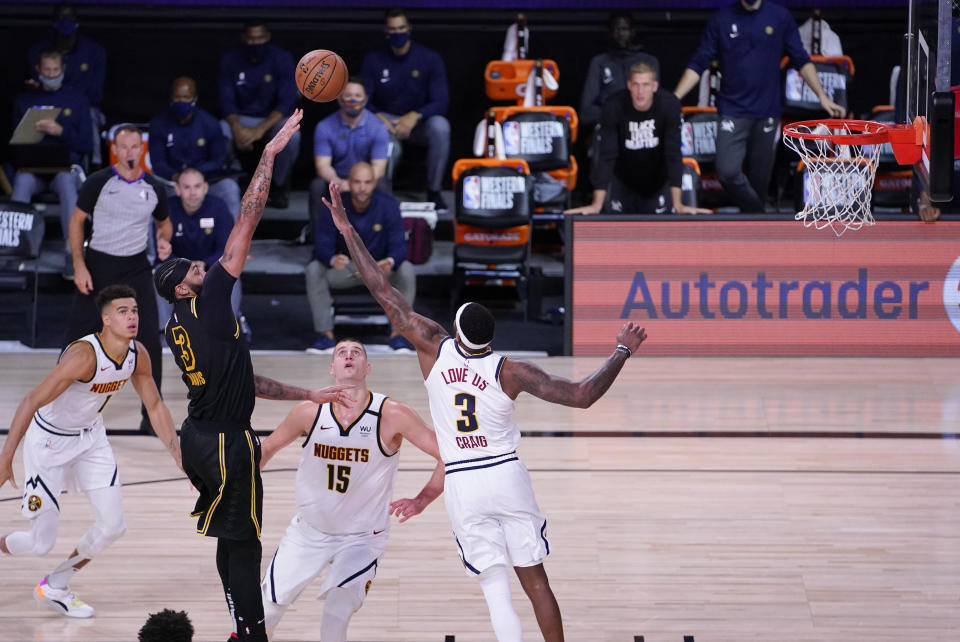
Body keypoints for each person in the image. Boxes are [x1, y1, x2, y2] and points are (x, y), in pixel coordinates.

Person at [322, 182, 648, 641]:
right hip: (506, 475)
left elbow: (381, 288)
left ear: (454, 330)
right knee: (537, 585)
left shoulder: (435, 348)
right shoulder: (511, 370)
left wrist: (346, 228)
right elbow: (582, 395)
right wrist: (621, 351)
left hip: (464, 481)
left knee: (496, 588)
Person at [153, 109, 353, 642]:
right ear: (181, 288)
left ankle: (244, 627)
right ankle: (252, 632)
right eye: (194, 269)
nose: (206, 268)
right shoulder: (211, 303)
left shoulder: (181, 324)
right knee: (246, 543)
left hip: (200, 436)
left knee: (231, 535)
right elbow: (248, 217)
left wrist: (307, 392)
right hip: (222, 440)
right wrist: (268, 154)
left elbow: (248, 380)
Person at [0, 284, 182, 619]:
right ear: (106, 320)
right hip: (50, 442)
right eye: (123, 312)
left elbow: (155, 406)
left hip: (91, 440)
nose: (132, 317)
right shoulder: (84, 357)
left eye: (136, 311)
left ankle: (56, 585)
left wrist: (178, 455)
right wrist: (6, 456)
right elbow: (30, 401)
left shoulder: (136, 354)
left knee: (113, 526)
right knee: (41, 544)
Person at [259, 338, 444, 641]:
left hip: (361, 539)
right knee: (265, 611)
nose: (348, 356)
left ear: (367, 368)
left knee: (335, 617)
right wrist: (225, 487)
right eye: (341, 353)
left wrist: (423, 499)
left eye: (356, 353)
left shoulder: (392, 413)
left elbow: (448, 454)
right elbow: (266, 449)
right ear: (332, 368)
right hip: (309, 532)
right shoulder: (308, 412)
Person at [672, 0, 844, 213]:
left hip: (767, 113)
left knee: (758, 183)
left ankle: (755, 229)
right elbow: (699, 62)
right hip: (732, 111)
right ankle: (762, 214)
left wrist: (822, 97)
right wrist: (675, 98)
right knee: (727, 172)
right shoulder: (721, 19)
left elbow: (801, 59)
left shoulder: (780, 17)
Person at [66, 124, 170, 435]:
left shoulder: (154, 187)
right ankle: (59, 408)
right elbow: (76, 222)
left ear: (142, 149)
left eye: (134, 147)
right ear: (116, 150)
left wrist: (164, 240)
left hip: (136, 267)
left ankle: (151, 417)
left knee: (148, 338)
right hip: (99, 263)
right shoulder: (98, 182)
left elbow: (165, 224)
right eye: (122, 147)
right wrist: (79, 265)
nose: (128, 153)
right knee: (76, 337)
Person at [567, 62, 712, 215]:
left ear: (655, 86)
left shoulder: (669, 105)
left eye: (645, 85)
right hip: (623, 179)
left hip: (657, 180)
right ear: (629, 85)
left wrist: (679, 204)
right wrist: (596, 205)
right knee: (622, 234)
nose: (640, 91)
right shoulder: (613, 106)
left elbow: (674, 156)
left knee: (656, 234)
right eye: (635, 85)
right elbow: (607, 156)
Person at [306, 162, 416, 353]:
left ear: (374, 183)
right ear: (348, 183)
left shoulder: (388, 205)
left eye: (367, 182)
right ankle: (326, 336)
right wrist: (332, 259)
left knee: (406, 269)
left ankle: (399, 335)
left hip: (379, 270)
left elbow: (399, 245)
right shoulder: (335, 207)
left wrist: (390, 261)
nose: (362, 188)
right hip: (346, 269)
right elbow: (321, 243)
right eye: (357, 182)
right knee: (314, 269)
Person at [360, 7, 451, 212]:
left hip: (418, 122)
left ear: (409, 29)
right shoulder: (373, 59)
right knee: (388, 146)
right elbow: (363, 99)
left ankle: (434, 191)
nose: (397, 33)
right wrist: (379, 118)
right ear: (386, 31)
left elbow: (441, 102)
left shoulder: (429, 58)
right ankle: (384, 199)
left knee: (441, 127)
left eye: (401, 28)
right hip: (386, 121)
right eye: (392, 29)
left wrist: (415, 116)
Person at [11, 48, 92, 276]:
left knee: (67, 182)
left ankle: (72, 252)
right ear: (38, 70)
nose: (51, 73)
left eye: (55, 69)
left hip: (64, 170)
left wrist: (61, 131)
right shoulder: (24, 100)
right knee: (22, 181)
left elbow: (86, 143)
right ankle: (14, 250)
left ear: (63, 70)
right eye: (46, 69)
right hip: (32, 169)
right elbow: (13, 147)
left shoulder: (77, 99)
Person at [156, 168, 246, 338]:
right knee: (159, 272)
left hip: (210, 269)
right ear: (177, 189)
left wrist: (205, 264)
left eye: (197, 186)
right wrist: (185, 267)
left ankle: (229, 330)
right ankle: (164, 333)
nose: (192, 193)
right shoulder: (168, 209)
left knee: (233, 276)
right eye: (187, 187)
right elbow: (162, 248)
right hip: (179, 271)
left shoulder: (218, 207)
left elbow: (227, 248)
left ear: (205, 187)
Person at [219, 19, 298, 209]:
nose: (256, 43)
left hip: (271, 119)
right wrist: (238, 130)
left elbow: (287, 103)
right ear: (244, 38)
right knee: (221, 130)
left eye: (260, 38)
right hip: (241, 118)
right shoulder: (230, 59)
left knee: (292, 135)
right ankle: (233, 180)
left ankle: (278, 186)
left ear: (268, 37)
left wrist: (259, 131)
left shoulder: (282, 58)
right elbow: (226, 101)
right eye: (251, 39)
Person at [307, 76, 390, 243]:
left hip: (365, 179)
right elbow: (322, 166)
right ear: (339, 98)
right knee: (316, 186)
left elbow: (379, 167)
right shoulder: (324, 126)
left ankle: (383, 241)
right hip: (337, 180)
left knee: (382, 185)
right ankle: (318, 242)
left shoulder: (379, 127)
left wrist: (359, 184)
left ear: (365, 99)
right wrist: (339, 183)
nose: (353, 99)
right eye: (348, 95)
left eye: (358, 96)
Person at [149, 76, 242, 219]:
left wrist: (196, 176)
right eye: (177, 97)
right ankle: (163, 239)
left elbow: (219, 160)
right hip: (174, 182)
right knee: (151, 191)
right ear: (171, 99)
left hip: (206, 181)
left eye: (186, 97)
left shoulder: (210, 123)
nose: (181, 101)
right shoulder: (158, 124)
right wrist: (178, 177)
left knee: (229, 189)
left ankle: (235, 240)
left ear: (195, 99)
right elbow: (158, 163)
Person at [26, 4, 106, 165]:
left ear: (77, 21)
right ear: (53, 22)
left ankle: (91, 168)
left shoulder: (93, 50)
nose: (65, 22)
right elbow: (34, 85)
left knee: (89, 117)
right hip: (46, 104)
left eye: (69, 18)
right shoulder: (39, 50)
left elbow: (96, 93)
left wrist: (69, 100)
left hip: (81, 107)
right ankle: (31, 166)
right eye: (61, 18)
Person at [579, 12, 661, 143]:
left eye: (624, 29)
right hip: (608, 131)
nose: (620, 34)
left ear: (633, 32)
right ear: (610, 33)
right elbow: (586, 113)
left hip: (642, 132)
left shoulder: (648, 61)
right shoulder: (599, 62)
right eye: (616, 29)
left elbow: (655, 105)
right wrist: (617, 114)